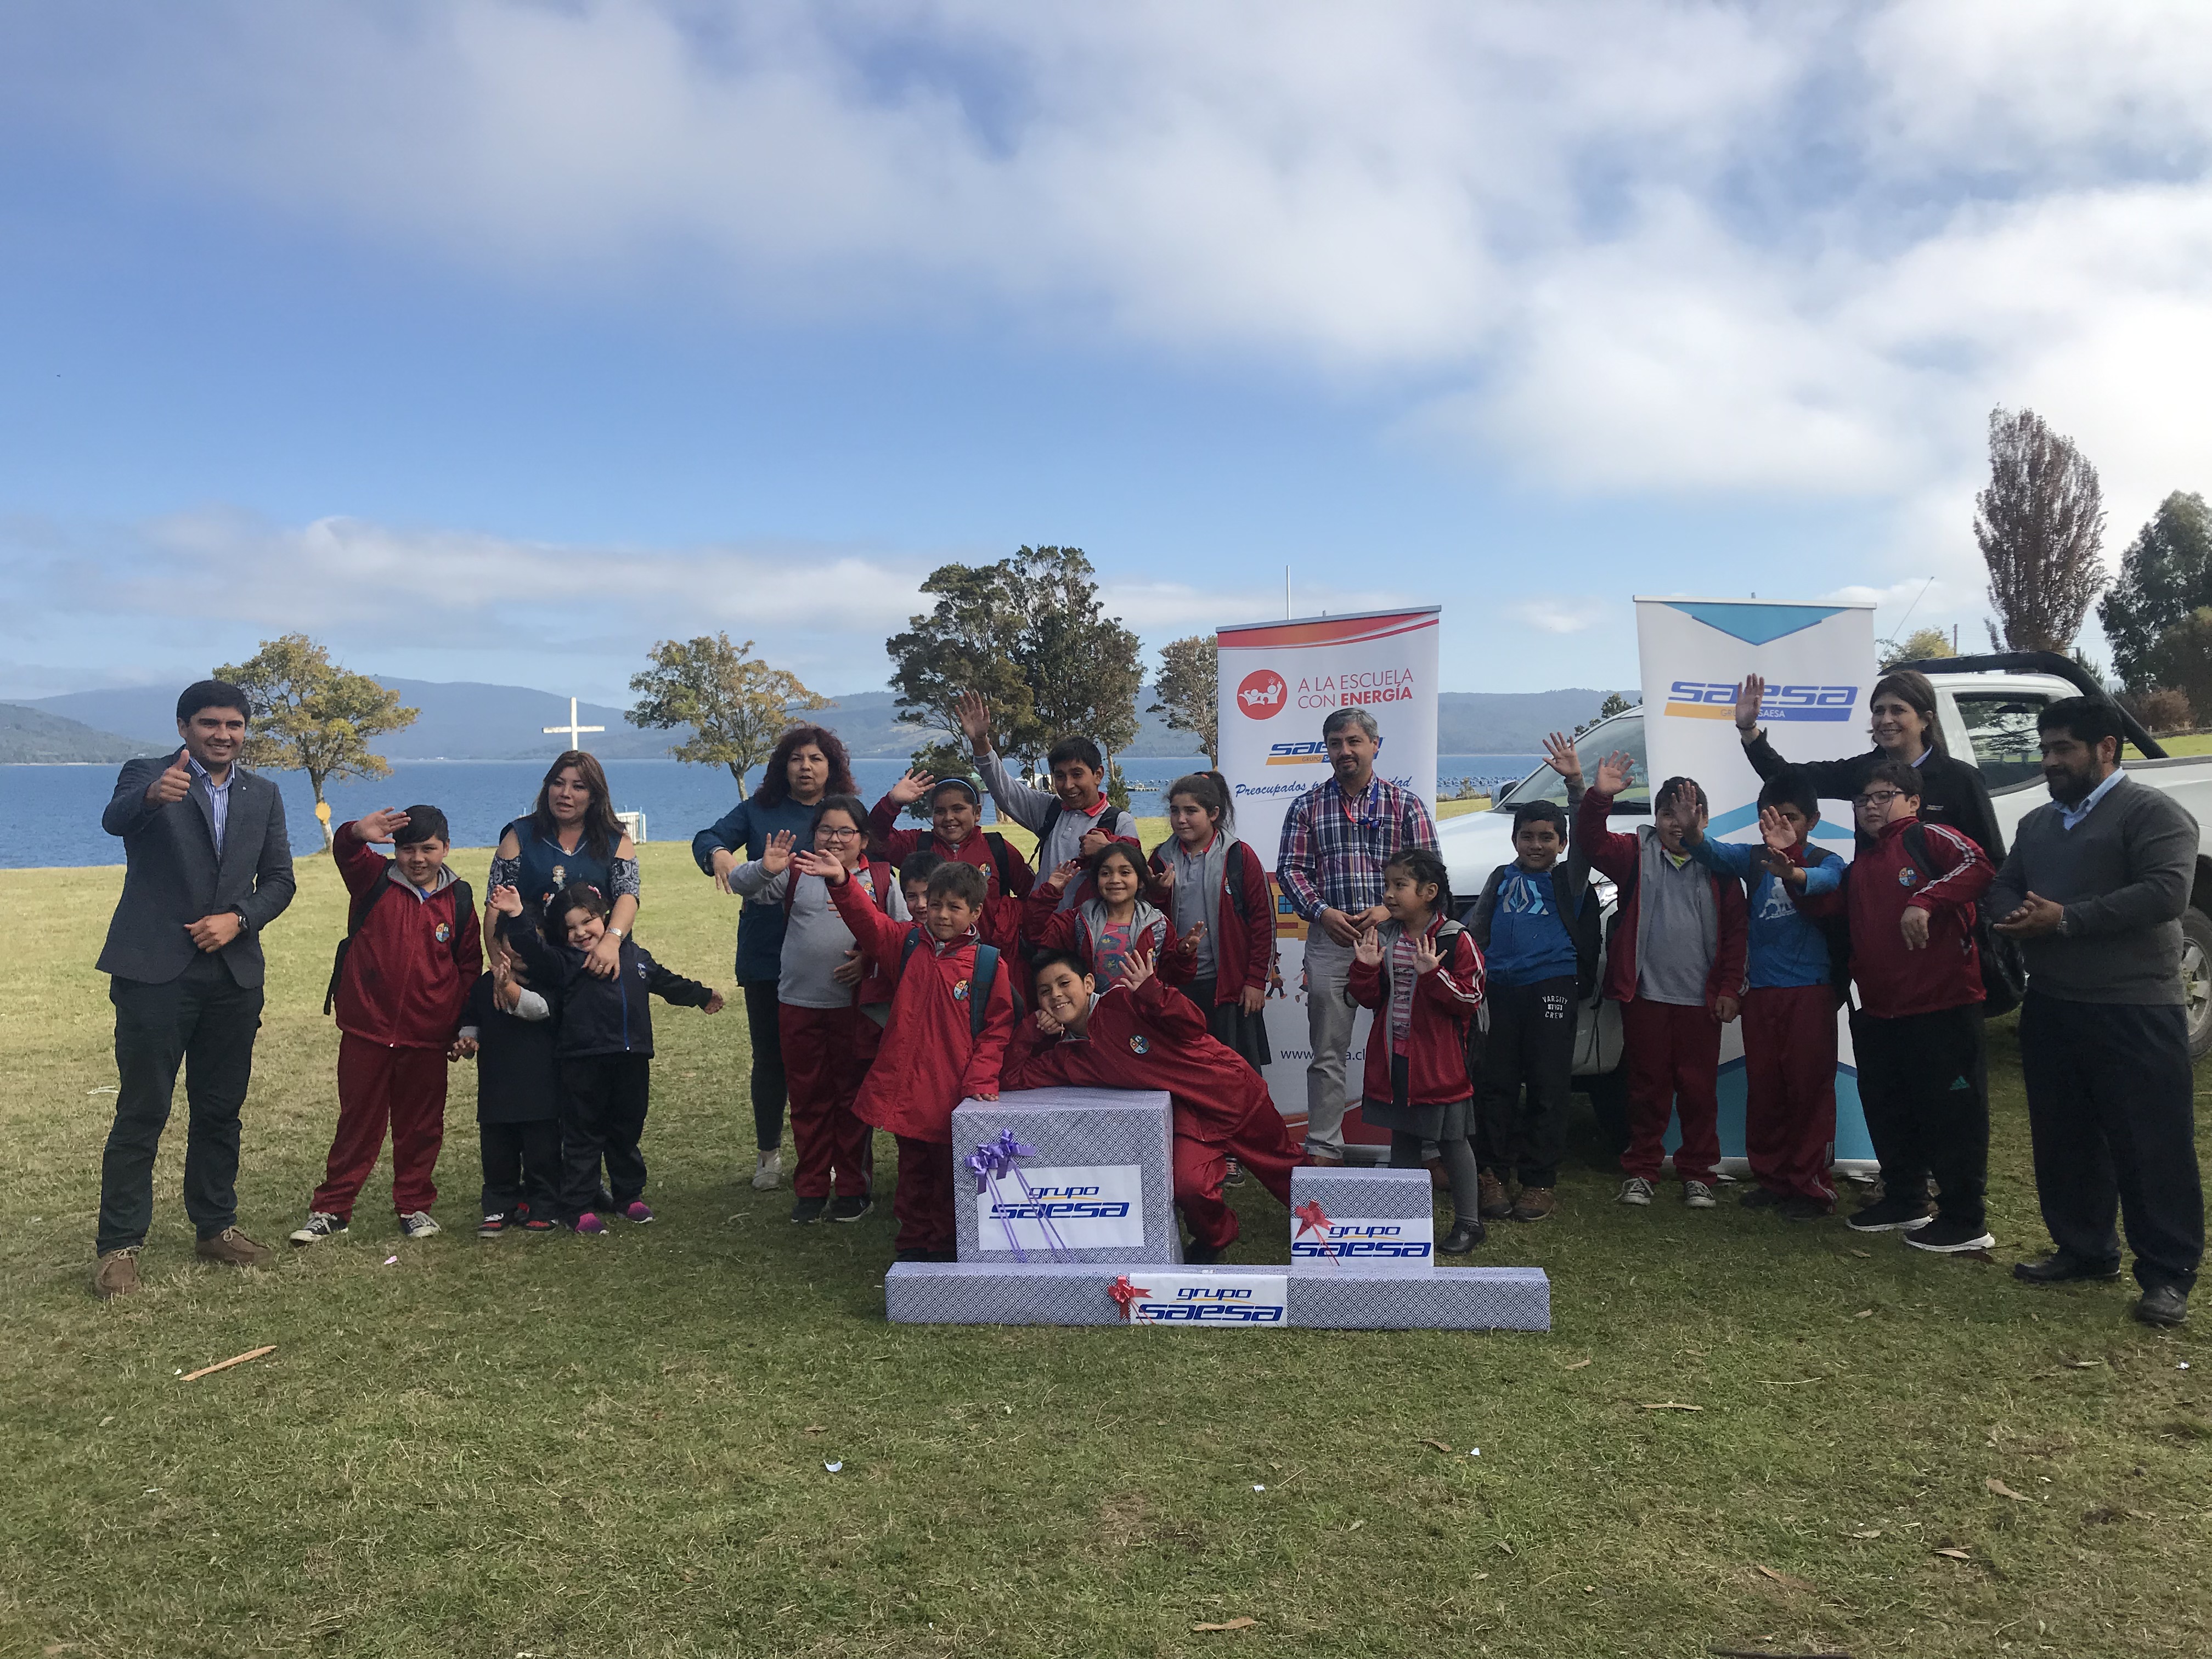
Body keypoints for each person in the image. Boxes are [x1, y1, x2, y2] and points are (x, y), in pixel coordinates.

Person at [1989, 697, 2204, 1325]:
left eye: (2063, 749)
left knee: (2150, 1145)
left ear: (2106, 749)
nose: (2049, 761)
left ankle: (2168, 1275)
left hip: (2134, 1007)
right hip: (2055, 1004)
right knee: (2066, 1138)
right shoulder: (2038, 824)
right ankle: (2084, 1249)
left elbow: (2167, 892)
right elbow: (2007, 881)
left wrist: (2067, 920)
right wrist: (2009, 917)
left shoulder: (2154, 814)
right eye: (2046, 748)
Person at [91, 681, 298, 1298]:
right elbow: (114, 819)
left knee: (219, 1109)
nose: (222, 735)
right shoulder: (148, 775)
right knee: (143, 1110)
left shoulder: (262, 793)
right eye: (209, 724)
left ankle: (215, 1226)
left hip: (233, 976)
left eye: (234, 725)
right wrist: (153, 797)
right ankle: (118, 1247)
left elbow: (281, 880)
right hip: (154, 971)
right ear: (184, 727)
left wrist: (241, 918)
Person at [1791, 760, 1996, 1252]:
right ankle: (1905, 1198)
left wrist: (1925, 900)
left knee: (1952, 1113)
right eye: (1863, 801)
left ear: (1912, 800)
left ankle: (1965, 1218)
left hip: (1943, 1006)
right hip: (1880, 1013)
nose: (1871, 808)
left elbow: (1981, 866)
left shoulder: (1931, 838)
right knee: (1890, 1108)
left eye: (1883, 796)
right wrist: (1794, 877)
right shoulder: (1862, 864)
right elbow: (1833, 914)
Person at [1005, 949, 1308, 1262]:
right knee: (1189, 1187)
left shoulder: (1124, 1001)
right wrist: (1030, 1031)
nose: (1056, 995)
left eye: (1063, 983)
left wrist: (1154, 992)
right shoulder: (1066, 1057)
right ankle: (1216, 1238)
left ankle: (1338, 1228)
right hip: (1189, 1120)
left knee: (1286, 1168)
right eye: (1044, 991)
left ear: (1089, 984)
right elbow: (1012, 1077)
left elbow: (1194, 1024)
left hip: (1230, 1094)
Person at [808, 853, 1018, 1261]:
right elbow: (868, 922)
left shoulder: (987, 965)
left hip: (952, 1094)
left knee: (950, 1177)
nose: (940, 914)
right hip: (908, 1093)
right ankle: (913, 1246)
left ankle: (945, 1247)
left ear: (974, 912)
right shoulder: (904, 945)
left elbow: (997, 1030)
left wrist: (980, 1080)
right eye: (935, 904)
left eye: (954, 907)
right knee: (913, 1174)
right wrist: (841, 881)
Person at [290, 806, 482, 1245]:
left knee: (421, 1126)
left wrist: (461, 1024)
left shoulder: (460, 899)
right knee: (358, 1122)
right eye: (408, 849)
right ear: (394, 849)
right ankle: (332, 1208)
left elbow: (469, 965)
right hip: (367, 1030)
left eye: (429, 849)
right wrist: (357, 831)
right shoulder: (372, 879)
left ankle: (414, 1206)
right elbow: (346, 850)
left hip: (428, 1036)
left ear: (446, 848)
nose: (418, 859)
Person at [490, 882, 724, 1235]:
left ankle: (628, 1195)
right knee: (584, 1136)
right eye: (570, 927)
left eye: (588, 921)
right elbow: (532, 950)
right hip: (582, 1062)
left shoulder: (635, 957)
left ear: (607, 918)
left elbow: (665, 981)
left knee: (625, 1131)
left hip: (633, 1059)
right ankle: (579, 1205)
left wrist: (701, 995)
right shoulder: (564, 962)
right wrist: (517, 913)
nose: (581, 932)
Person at [1576, 753, 1747, 1210]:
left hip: (1700, 1002)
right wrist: (1600, 797)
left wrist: (1731, 988)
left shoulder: (1723, 868)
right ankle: (1642, 1170)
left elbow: (1736, 936)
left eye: (1689, 812)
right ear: (1656, 817)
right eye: (1669, 812)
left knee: (1698, 1090)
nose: (1678, 822)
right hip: (1646, 996)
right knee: (1646, 1089)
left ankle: (1698, 1174)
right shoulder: (1635, 854)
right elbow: (1590, 842)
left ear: (1705, 818)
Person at [692, 725, 857, 1190]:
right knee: (771, 1057)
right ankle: (769, 1153)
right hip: (766, 950)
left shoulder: (841, 812)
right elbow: (706, 838)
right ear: (783, 766)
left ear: (832, 767)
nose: (806, 767)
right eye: (797, 758)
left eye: (816, 759)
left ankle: (829, 1155)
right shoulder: (758, 810)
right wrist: (721, 857)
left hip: (830, 949)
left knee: (830, 1058)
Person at [730, 798, 909, 1226]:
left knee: (851, 1101)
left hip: (855, 1010)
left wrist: (868, 958)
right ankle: (810, 1188)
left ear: (863, 839)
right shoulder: (797, 871)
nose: (834, 839)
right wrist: (766, 867)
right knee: (808, 1100)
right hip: (798, 1004)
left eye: (845, 831)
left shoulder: (882, 879)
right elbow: (742, 884)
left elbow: (902, 937)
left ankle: (852, 1188)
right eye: (826, 830)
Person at [1274, 707, 1440, 1164]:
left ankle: (1428, 1147)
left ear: (1375, 746)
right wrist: (1321, 912)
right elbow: (1291, 869)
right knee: (1328, 1051)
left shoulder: (1405, 804)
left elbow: (1430, 869)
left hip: (1401, 937)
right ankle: (1325, 1146)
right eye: (1335, 743)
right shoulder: (1307, 805)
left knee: (1415, 1042)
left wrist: (1389, 907)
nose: (1344, 751)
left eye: (1353, 742)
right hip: (1332, 941)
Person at [1680, 772, 1846, 1220]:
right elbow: (1713, 852)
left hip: (1809, 992)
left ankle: (1811, 1186)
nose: (1779, 826)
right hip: (1763, 995)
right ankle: (1772, 1178)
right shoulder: (1752, 860)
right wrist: (1694, 832)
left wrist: (1791, 865)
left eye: (1790, 818)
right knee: (1767, 1091)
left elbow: (1826, 884)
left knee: (1809, 1091)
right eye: (1769, 819)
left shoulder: (1828, 860)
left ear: (1812, 820)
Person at [1465, 763, 1598, 1224]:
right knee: (1496, 1084)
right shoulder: (1500, 878)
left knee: (1547, 1085)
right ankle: (1492, 1176)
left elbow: (1587, 835)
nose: (1536, 845)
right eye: (1527, 836)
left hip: (1552, 988)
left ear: (1561, 844)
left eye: (1547, 837)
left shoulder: (1570, 879)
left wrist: (1576, 787)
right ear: (1515, 839)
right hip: (1501, 990)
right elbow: (1475, 933)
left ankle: (1539, 1181)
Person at [1346, 848, 1489, 1254]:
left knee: (1452, 1141)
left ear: (1429, 892)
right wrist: (1366, 968)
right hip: (1395, 1058)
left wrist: (1434, 975)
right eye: (1387, 885)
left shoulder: (1454, 938)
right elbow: (1370, 999)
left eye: (1399, 886)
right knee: (1403, 1138)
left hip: (1440, 1064)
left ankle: (1469, 1223)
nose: (1388, 895)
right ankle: (1404, 1225)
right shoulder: (1386, 936)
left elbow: (1469, 998)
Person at [1733, 669, 2004, 860]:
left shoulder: (1960, 778)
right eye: (1878, 711)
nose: (1885, 720)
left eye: (1898, 710)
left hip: (1943, 924)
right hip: (1876, 917)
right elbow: (1785, 777)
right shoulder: (1862, 771)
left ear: (1926, 719)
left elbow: (1989, 859)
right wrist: (1748, 728)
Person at [952, 691, 1139, 911]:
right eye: (1060, 776)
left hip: (1090, 938)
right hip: (1041, 931)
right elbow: (1005, 791)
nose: (1068, 785)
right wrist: (980, 742)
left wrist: (1108, 850)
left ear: (1098, 774)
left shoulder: (1118, 821)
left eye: (1077, 774)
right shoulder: (1051, 810)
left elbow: (1136, 878)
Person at [1147, 771, 1275, 1071]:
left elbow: (1263, 922)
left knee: (1236, 1074)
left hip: (1228, 988)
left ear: (1214, 813)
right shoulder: (1160, 859)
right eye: (1175, 811)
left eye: (1192, 811)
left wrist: (1256, 981)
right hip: (1178, 986)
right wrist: (1156, 893)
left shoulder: (1239, 857)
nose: (1181, 819)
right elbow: (1148, 922)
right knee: (1186, 1072)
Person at [454, 944, 562, 1236]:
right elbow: (472, 1018)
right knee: (497, 1155)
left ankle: (544, 1205)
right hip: (496, 1086)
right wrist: (466, 1041)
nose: (518, 953)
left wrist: (507, 986)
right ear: (498, 945)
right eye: (509, 946)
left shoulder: (550, 979)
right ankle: (499, 1205)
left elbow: (539, 1010)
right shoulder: (483, 985)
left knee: (542, 1154)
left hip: (541, 1088)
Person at [1023, 840, 1193, 990]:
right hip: (1094, 1015)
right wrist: (1050, 893)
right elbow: (1036, 932)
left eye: (1125, 873)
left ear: (1141, 881)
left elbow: (1173, 976)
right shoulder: (1080, 920)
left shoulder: (1157, 925)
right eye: (1106, 873)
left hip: (1143, 1018)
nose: (1114, 880)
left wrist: (1183, 955)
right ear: (1096, 880)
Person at [868, 771, 1036, 901]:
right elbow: (876, 838)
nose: (949, 818)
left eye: (958, 809)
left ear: (977, 812)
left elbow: (1031, 894)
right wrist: (892, 802)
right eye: (940, 811)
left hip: (991, 946)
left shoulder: (998, 849)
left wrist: (1008, 927)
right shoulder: (918, 846)